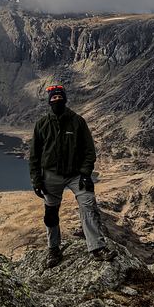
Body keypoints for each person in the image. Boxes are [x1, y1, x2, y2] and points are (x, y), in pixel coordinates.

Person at [29, 84, 116, 268]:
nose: (57, 101)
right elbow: (34, 155)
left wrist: (85, 174)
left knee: (88, 204)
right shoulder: (42, 125)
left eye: (60, 98)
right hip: (51, 175)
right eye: (53, 98)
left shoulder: (78, 122)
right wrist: (36, 180)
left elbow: (89, 151)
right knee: (50, 214)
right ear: (49, 101)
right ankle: (53, 249)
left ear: (65, 99)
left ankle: (97, 247)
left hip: (76, 175)